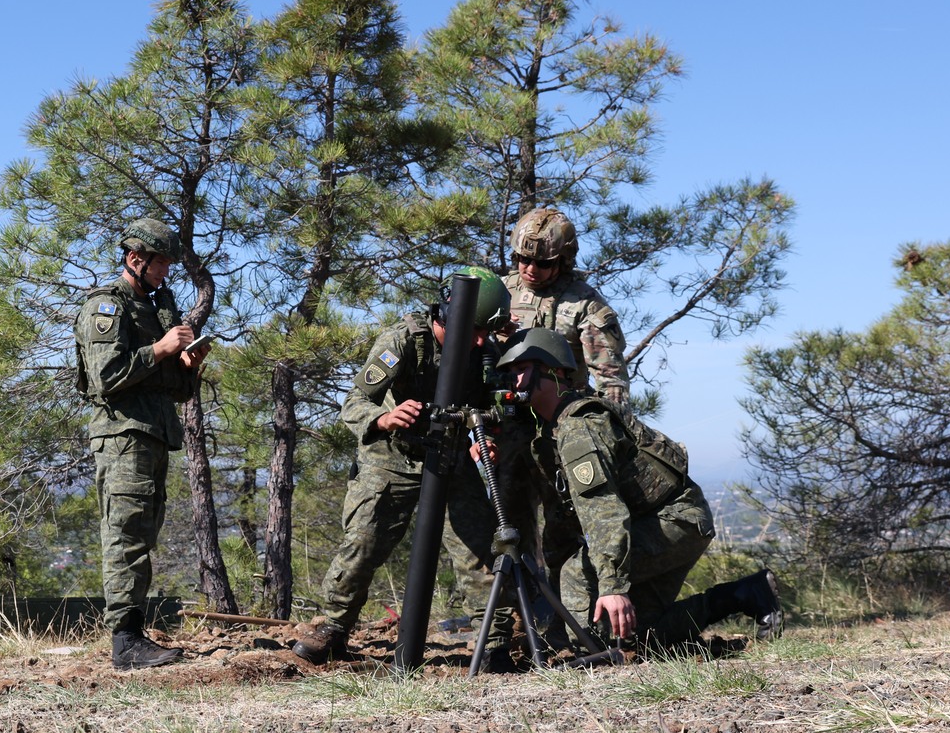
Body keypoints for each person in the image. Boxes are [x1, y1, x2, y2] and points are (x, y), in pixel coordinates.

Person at [293, 267, 528, 666]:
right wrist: (383, 418)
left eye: (482, 333)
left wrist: (489, 437)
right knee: (363, 543)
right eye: (471, 331)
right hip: (391, 458)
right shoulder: (403, 341)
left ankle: (495, 641)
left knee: (478, 550)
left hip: (451, 456)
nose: (477, 341)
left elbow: (494, 409)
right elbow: (354, 403)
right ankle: (332, 626)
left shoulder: (483, 350)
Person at [494, 327, 781, 648]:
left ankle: (590, 650)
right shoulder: (552, 430)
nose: (514, 383)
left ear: (555, 371)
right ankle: (745, 595)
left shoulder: (578, 427)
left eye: (522, 371)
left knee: (579, 576)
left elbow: (603, 512)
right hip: (667, 522)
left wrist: (613, 587)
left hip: (675, 520)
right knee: (636, 636)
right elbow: (565, 518)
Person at [76, 216, 207, 670]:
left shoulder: (152, 308)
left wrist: (187, 365)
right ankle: (126, 641)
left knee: (142, 536)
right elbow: (106, 376)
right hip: (123, 438)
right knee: (126, 537)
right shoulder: (106, 308)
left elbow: (174, 392)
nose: (165, 272)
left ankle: (133, 633)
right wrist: (161, 349)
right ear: (135, 259)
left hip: (150, 435)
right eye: (160, 264)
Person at [504, 208, 630, 408]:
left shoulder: (585, 304)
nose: (531, 269)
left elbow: (611, 378)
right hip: (503, 415)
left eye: (543, 263)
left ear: (563, 260)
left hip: (560, 416)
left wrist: (612, 425)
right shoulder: (499, 292)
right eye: (525, 259)